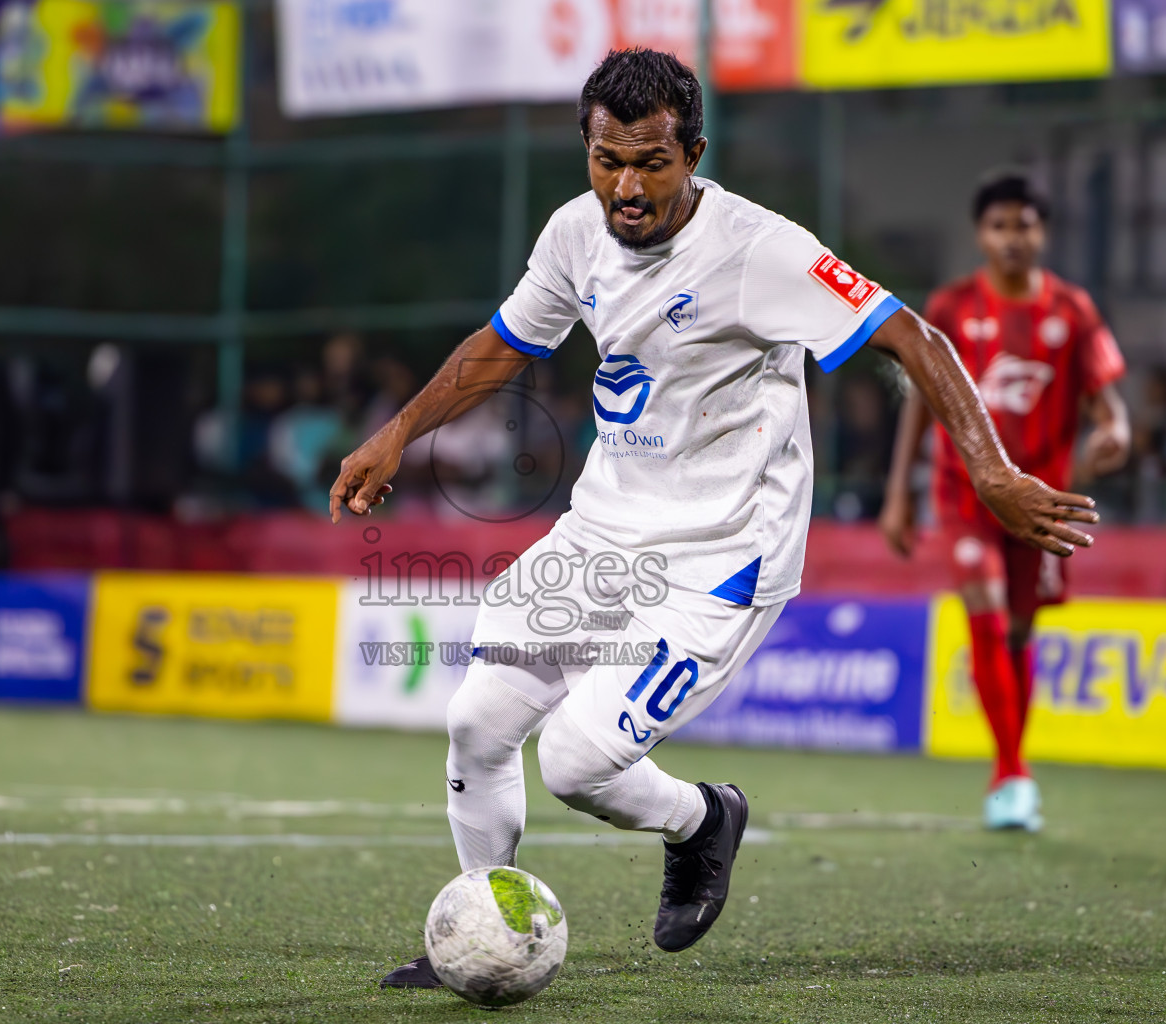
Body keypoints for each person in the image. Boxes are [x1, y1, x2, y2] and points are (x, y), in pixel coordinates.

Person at [332, 51, 1099, 987]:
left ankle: (704, 821)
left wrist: (993, 471)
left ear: (692, 152)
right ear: (587, 148)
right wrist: (398, 434)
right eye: (608, 158)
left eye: (652, 162)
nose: (628, 185)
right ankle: (486, 929)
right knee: (478, 722)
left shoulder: (758, 250)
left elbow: (914, 335)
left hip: (724, 557)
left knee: (577, 763)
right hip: (603, 535)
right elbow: (503, 346)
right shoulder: (576, 234)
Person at [879, 171, 1129, 833]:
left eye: (1025, 224)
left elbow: (1111, 407)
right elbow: (918, 405)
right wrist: (898, 492)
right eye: (1000, 225)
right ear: (980, 234)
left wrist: (1117, 433)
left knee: (1019, 631)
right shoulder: (952, 306)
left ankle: (1012, 764)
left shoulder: (1073, 310)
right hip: (964, 495)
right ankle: (1011, 774)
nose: (1013, 238)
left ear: (1042, 231)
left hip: (1043, 501)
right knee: (985, 611)